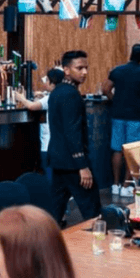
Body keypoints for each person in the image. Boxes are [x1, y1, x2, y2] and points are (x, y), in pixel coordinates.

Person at [48, 51, 101, 225]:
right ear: (66, 70)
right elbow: (73, 132)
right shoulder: (71, 94)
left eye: (86, 68)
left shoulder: (56, 92)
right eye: (79, 68)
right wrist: (82, 166)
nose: (84, 72)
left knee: (55, 212)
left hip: (58, 160)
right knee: (94, 214)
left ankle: (45, 249)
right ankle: (96, 248)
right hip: (73, 163)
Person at [101, 45, 140, 195]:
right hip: (136, 117)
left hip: (118, 115)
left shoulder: (117, 70)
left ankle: (115, 185)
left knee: (117, 150)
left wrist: (116, 101)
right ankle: (126, 186)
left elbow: (105, 89)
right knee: (132, 152)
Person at [14, 68, 64, 183]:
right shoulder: (60, 96)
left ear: (52, 83)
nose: (44, 82)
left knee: (49, 175)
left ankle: (52, 197)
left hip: (48, 145)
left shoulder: (50, 98)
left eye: (47, 80)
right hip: (60, 144)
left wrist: (21, 98)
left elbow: (32, 106)